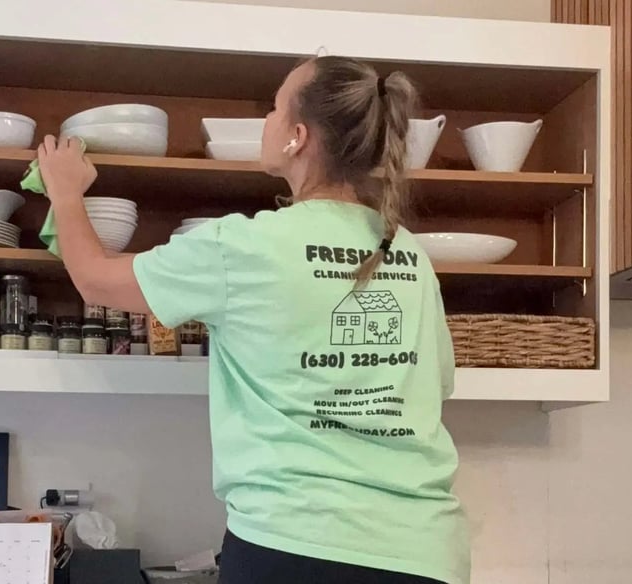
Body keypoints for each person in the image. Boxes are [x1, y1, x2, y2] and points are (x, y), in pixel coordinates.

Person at [37, 55, 470, 584]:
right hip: (425, 553)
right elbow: (433, 384)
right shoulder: (408, 253)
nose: (266, 120)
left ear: (297, 137)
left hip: (295, 547)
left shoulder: (244, 246)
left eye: (274, 108)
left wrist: (64, 191)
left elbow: (96, 279)